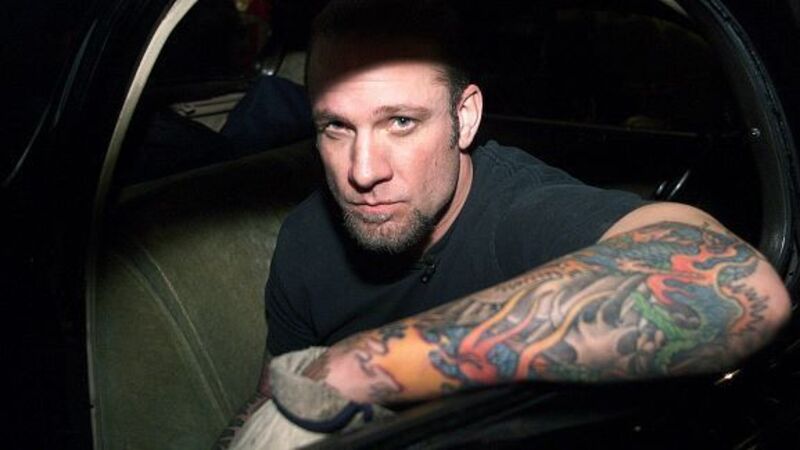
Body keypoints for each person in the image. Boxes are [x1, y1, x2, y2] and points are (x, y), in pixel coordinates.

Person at [223, 0, 792, 448]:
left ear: (465, 117)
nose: (363, 171)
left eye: (400, 122)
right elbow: (273, 397)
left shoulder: (521, 212)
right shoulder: (305, 240)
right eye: (336, 127)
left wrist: (356, 367)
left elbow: (731, 285)